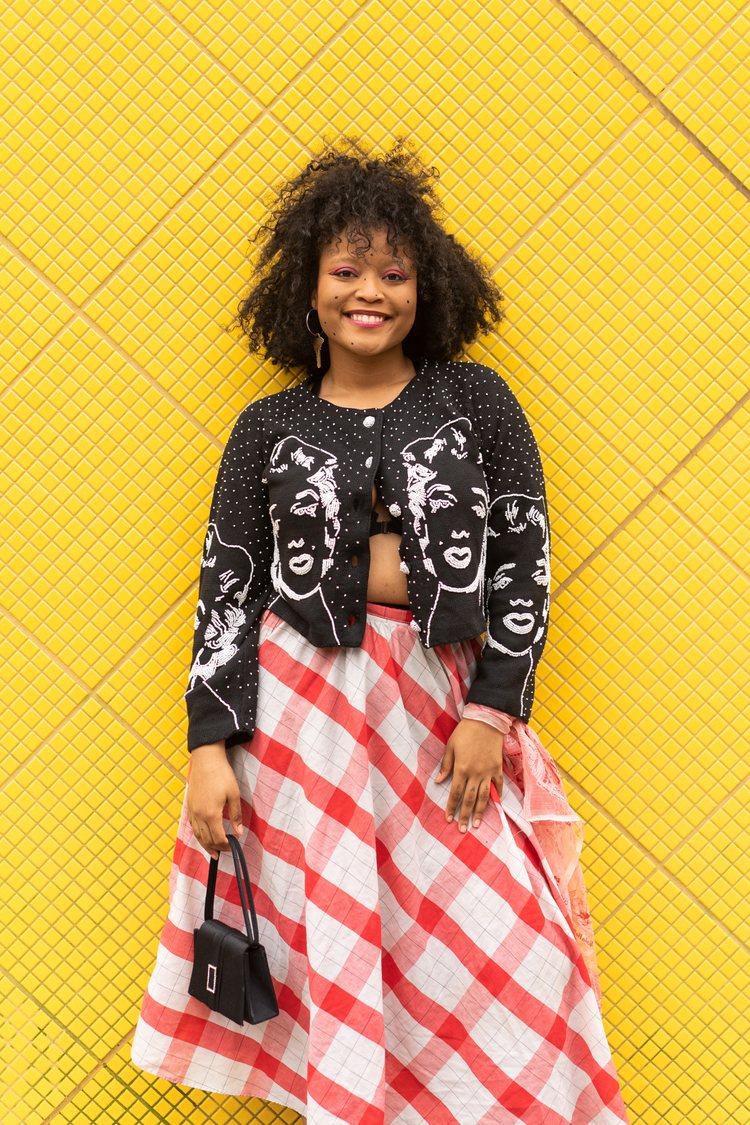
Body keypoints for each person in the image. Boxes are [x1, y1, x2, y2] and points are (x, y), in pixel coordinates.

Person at [131, 140, 629, 1124]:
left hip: (443, 714)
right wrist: (206, 745)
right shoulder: (263, 429)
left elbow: (524, 561)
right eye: (347, 272)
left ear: (425, 287)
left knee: (509, 944)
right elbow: (227, 588)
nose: (371, 292)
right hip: (300, 728)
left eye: (394, 274)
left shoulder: (475, 400)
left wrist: (493, 709)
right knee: (345, 952)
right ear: (306, 290)